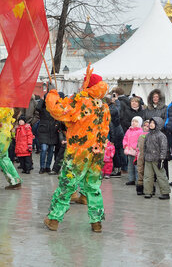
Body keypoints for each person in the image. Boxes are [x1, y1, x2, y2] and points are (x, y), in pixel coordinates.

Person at [43, 67, 111, 232]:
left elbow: (59, 111)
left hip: (79, 151)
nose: (81, 85)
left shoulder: (80, 101)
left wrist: (52, 94)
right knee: (93, 187)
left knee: (67, 183)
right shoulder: (103, 106)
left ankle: (53, 219)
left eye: (84, 82)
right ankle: (96, 222)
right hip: (97, 151)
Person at [143, 117, 170, 199]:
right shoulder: (147, 135)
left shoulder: (161, 136)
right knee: (148, 176)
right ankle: (148, 191)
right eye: (150, 123)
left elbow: (164, 148)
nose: (151, 124)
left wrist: (162, 159)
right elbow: (145, 146)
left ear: (158, 125)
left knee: (161, 176)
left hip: (157, 159)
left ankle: (165, 192)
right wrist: (144, 156)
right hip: (148, 159)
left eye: (153, 123)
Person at [35, 93, 61, 174]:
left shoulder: (54, 109)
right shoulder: (43, 108)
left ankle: (48, 167)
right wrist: (42, 99)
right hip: (44, 131)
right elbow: (37, 108)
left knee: (50, 150)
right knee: (44, 149)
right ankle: (42, 167)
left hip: (53, 131)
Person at [106, 96, 124, 177]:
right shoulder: (114, 107)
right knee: (117, 152)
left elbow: (111, 126)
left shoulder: (110, 110)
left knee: (115, 152)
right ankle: (118, 169)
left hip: (115, 133)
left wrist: (112, 139)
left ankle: (117, 170)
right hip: (118, 131)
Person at [123, 116, 143, 185]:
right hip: (129, 151)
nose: (134, 123)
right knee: (130, 166)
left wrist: (135, 147)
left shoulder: (140, 131)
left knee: (137, 167)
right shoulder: (129, 130)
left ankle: (138, 180)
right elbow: (125, 138)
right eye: (133, 121)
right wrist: (125, 145)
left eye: (136, 121)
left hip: (136, 152)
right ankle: (131, 179)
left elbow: (140, 141)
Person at [135, 120, 150, 196]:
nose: (146, 128)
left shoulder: (151, 136)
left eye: (148, 126)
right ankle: (140, 186)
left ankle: (149, 187)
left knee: (148, 173)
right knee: (140, 171)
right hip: (140, 156)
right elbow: (137, 146)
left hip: (148, 157)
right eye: (145, 126)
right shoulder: (140, 135)